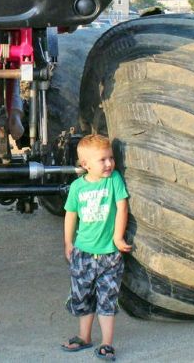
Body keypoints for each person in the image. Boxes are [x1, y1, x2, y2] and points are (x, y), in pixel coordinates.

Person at [61, 134, 131, 362]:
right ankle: (84, 336)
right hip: (83, 254)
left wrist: (118, 237)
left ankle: (107, 343)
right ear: (85, 164)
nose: (109, 163)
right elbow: (70, 215)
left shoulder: (114, 180)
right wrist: (68, 242)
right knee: (82, 297)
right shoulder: (77, 188)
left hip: (109, 255)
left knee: (107, 299)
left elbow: (122, 208)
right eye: (103, 160)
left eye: (111, 158)